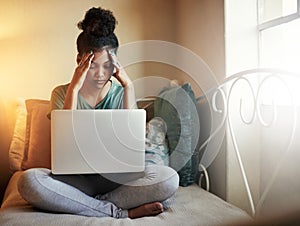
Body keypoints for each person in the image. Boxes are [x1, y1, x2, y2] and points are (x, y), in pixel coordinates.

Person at [17, 7, 179, 219]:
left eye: (108, 66)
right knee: (29, 181)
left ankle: (84, 205)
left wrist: (129, 86)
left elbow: (133, 144)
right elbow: (65, 143)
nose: (101, 74)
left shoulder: (122, 93)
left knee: (168, 179)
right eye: (93, 66)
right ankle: (118, 211)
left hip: (117, 180)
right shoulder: (61, 93)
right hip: (77, 181)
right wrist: (74, 88)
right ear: (79, 61)